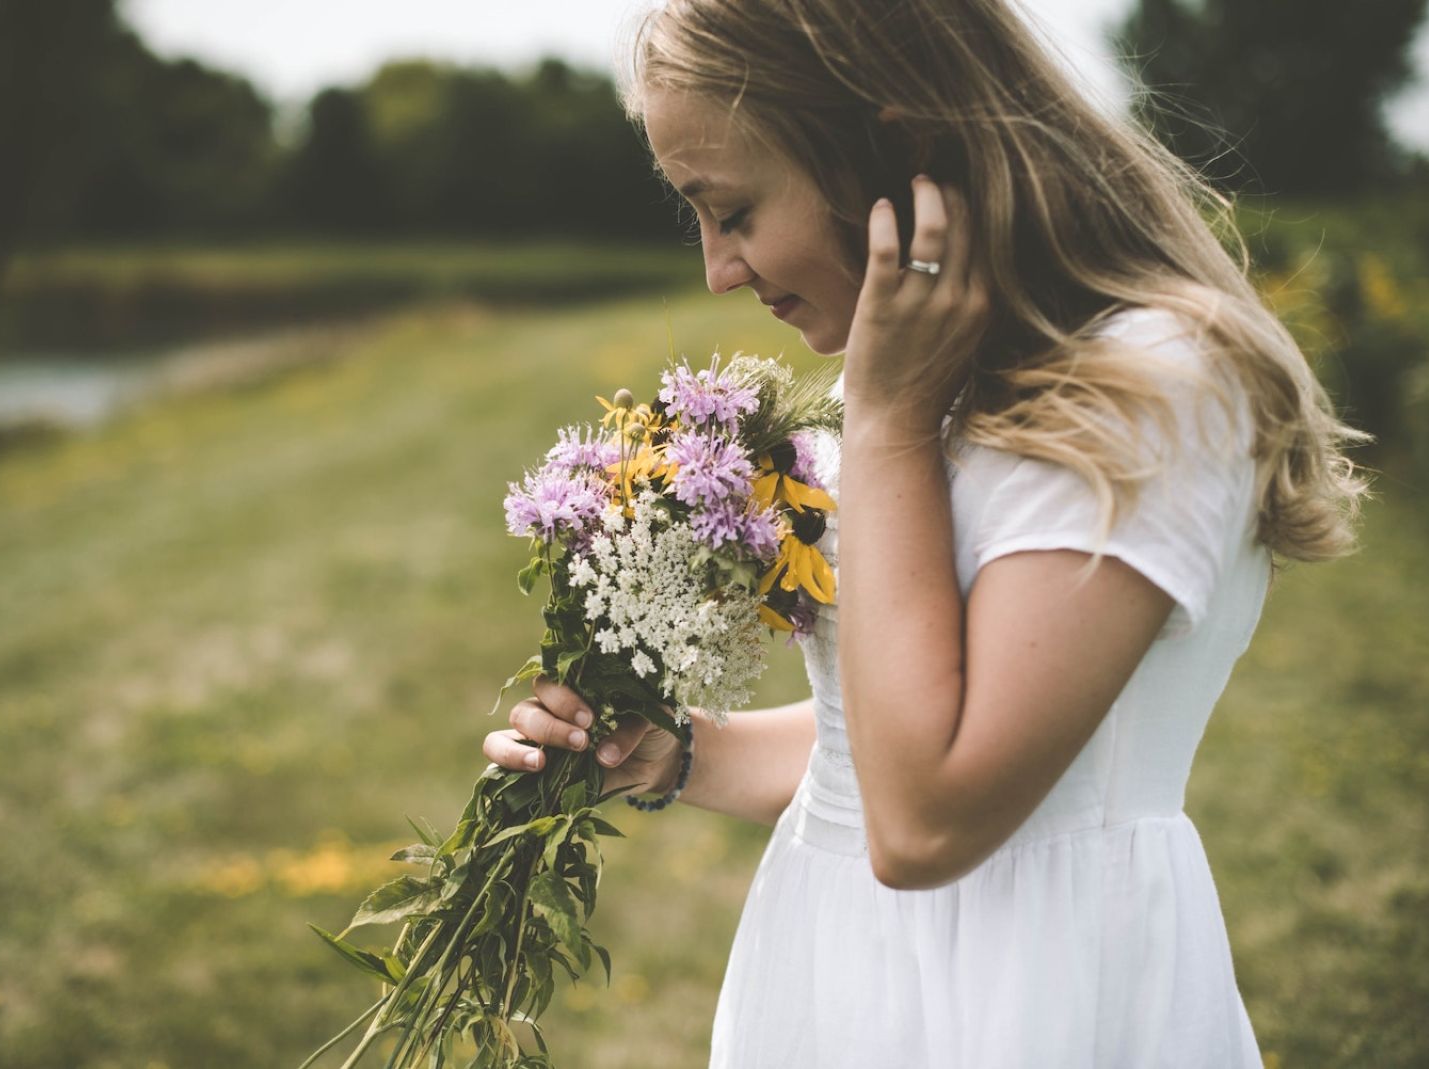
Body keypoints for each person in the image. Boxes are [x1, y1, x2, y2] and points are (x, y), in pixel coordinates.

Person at [482, 0, 1367, 1064]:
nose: (717, 268)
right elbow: (883, 732)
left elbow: (926, 818)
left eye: (733, 210)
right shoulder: (922, 373)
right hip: (834, 972)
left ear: (887, 152)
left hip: (1035, 987)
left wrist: (890, 423)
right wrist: (678, 755)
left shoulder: (1145, 388)